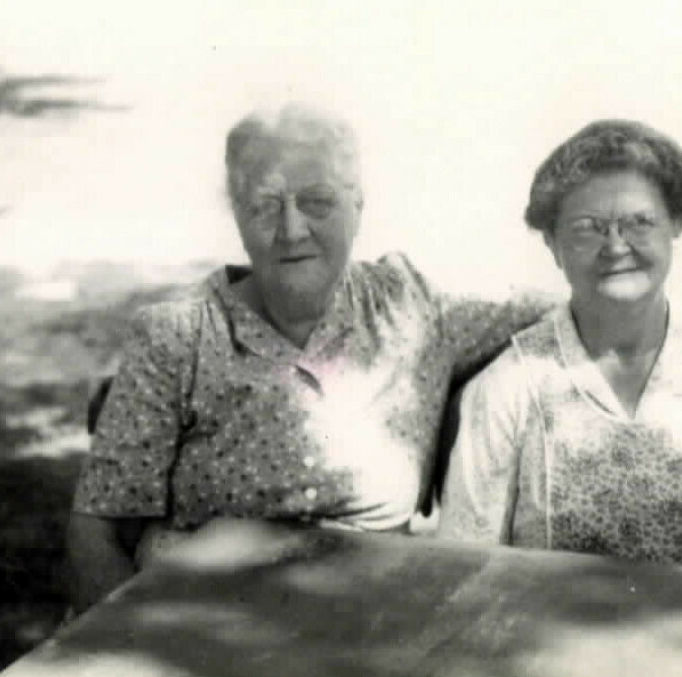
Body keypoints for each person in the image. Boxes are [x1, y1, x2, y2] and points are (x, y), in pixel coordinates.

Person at [66, 103, 552, 612]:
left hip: (366, 623)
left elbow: (575, 308)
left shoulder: (409, 309)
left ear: (358, 205)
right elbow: (94, 532)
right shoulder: (176, 335)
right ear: (237, 214)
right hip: (202, 623)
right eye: (265, 205)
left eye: (317, 202)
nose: (292, 229)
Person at [436, 119, 682, 573]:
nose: (615, 246)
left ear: (676, 226)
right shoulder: (510, 388)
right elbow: (463, 574)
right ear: (553, 243)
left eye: (639, 222)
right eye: (588, 228)